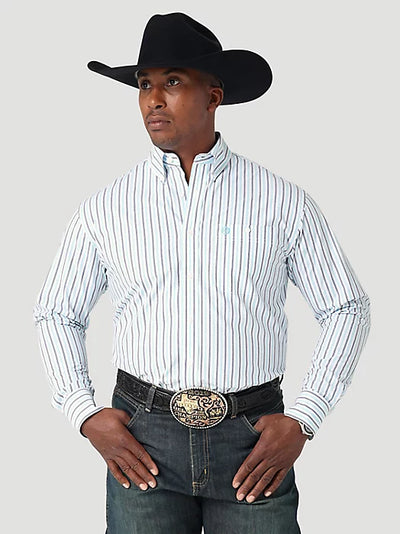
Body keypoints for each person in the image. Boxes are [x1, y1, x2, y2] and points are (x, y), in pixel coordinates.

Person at [33, 12, 371, 534]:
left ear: (213, 97)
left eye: (171, 82)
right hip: (141, 442)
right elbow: (57, 312)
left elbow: (346, 307)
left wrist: (306, 417)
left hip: (253, 442)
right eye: (144, 84)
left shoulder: (281, 201)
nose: (152, 99)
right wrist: (83, 412)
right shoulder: (106, 207)